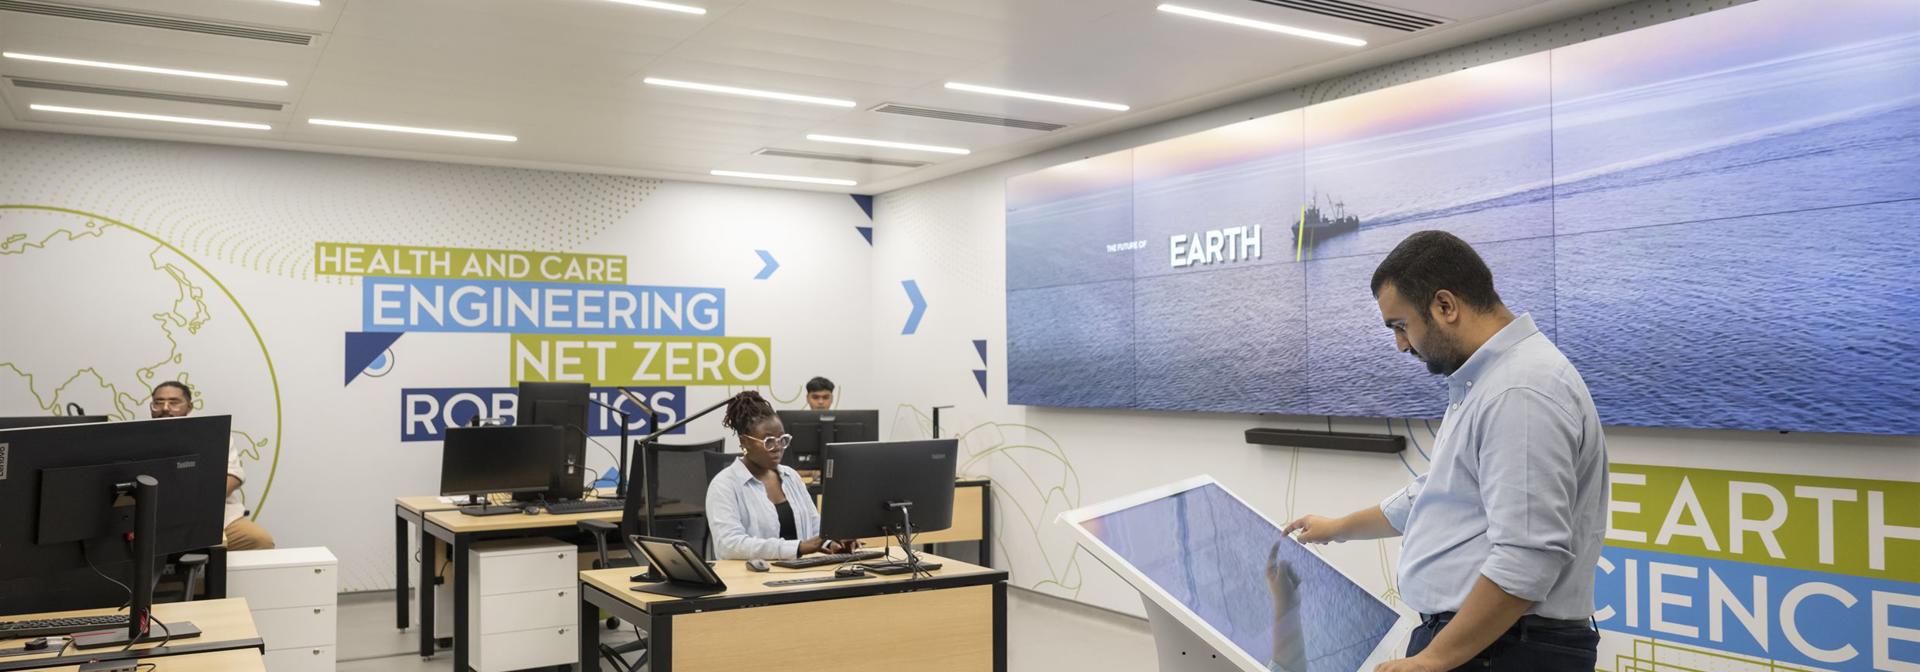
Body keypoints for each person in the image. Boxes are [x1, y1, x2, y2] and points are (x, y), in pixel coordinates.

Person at [1283, 231, 1607, 672]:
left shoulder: (1520, 391)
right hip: (1488, 646)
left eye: (1401, 325)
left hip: (1504, 651)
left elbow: (1528, 558)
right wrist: (1338, 527)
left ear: (1445, 306)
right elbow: (1439, 492)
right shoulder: (1487, 380)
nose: (1401, 344)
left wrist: (1433, 659)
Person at [705, 391, 857, 560]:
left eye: (782, 440)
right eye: (769, 442)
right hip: (752, 580)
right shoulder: (724, 485)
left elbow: (815, 529)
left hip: (799, 575)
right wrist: (798, 547)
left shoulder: (790, 476)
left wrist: (830, 543)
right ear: (744, 442)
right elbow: (729, 545)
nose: (778, 447)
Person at [150, 381, 276, 551]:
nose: (165, 408)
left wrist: (190, 504)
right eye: (158, 402)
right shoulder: (137, 439)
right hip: (154, 519)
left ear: (189, 406)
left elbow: (233, 477)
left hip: (214, 516)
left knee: (260, 541)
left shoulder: (212, 436)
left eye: (174, 402)